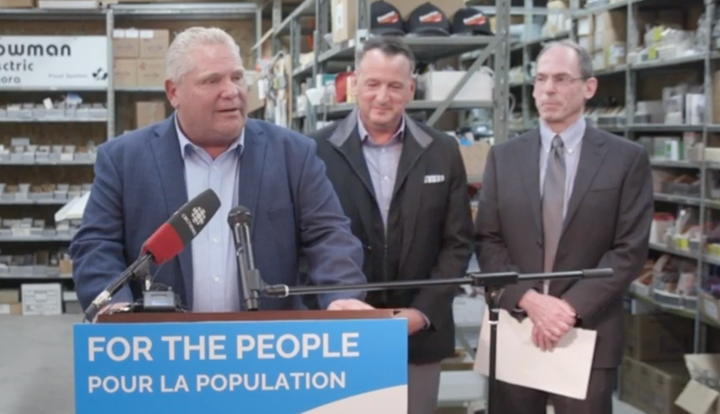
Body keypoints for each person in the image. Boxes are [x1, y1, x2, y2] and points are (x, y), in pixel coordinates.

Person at [70, 26, 372, 316]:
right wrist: (116, 310)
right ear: (173, 92)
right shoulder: (124, 160)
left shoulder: (293, 154)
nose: (231, 92)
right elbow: (96, 245)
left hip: (267, 349)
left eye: (237, 77)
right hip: (160, 352)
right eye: (211, 81)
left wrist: (341, 295)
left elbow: (329, 235)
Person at [475, 39, 654, 414]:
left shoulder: (626, 159)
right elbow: (488, 240)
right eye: (540, 79)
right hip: (516, 327)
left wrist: (566, 309)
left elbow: (629, 250)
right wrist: (529, 299)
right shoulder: (504, 158)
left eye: (561, 78)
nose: (548, 89)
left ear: (588, 87)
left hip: (587, 331)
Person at [309, 36, 474, 414]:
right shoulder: (316, 151)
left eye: (394, 85)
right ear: (356, 85)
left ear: (410, 89)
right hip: (343, 331)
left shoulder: (442, 150)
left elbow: (458, 243)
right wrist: (337, 303)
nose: (382, 96)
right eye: (373, 84)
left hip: (418, 334)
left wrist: (421, 313)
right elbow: (306, 241)